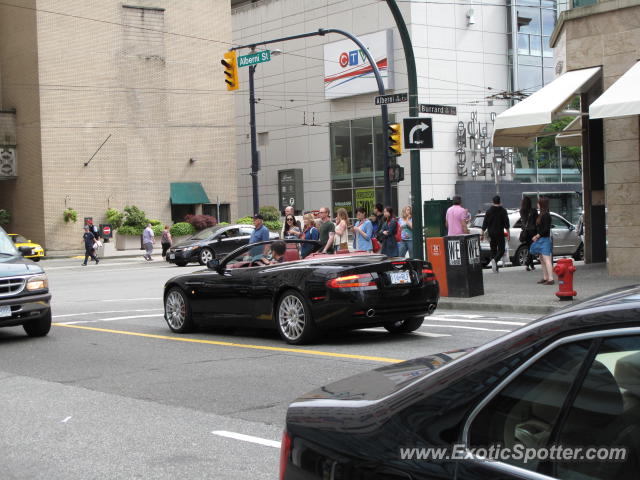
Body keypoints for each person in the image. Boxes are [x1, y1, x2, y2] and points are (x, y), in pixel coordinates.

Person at [529, 196, 554, 285]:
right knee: (542, 259)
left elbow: (546, 229)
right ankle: (545, 277)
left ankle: (550, 278)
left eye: (538, 203)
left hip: (544, 240)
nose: (537, 204)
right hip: (542, 239)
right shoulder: (543, 214)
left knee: (546, 259)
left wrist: (537, 236)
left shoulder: (546, 215)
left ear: (541, 204)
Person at [481, 195, 510, 273]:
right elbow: (506, 224)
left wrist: (482, 234)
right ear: (500, 201)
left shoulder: (488, 211)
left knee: (493, 249)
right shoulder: (503, 211)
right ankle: (495, 260)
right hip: (500, 233)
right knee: (501, 249)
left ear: (492, 202)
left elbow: (485, 223)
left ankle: (495, 267)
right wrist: (508, 234)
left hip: (491, 233)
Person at [518, 197, 538, 271]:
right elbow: (537, 221)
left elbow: (523, 221)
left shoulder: (521, 211)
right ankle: (527, 264)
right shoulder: (533, 211)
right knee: (532, 248)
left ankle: (531, 265)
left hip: (525, 232)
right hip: (532, 231)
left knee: (529, 247)